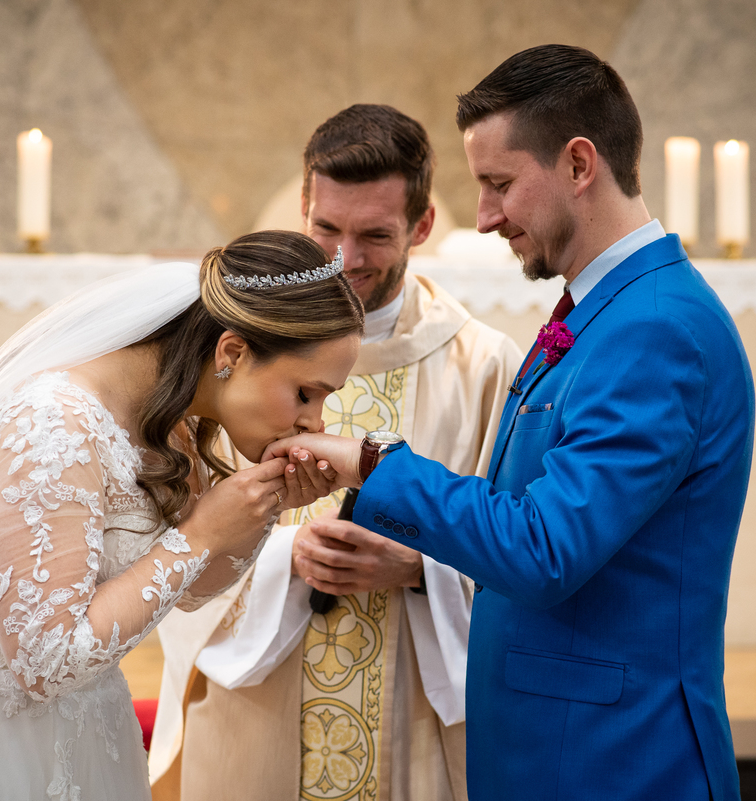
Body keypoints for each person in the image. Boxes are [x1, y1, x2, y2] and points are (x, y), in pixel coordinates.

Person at [266, 45, 755, 800]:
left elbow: (544, 548)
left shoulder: (655, 328)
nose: (486, 216)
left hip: (612, 759)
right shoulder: (607, 310)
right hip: (559, 746)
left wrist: (369, 459)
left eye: (499, 184)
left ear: (579, 164)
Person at [0, 231, 364, 801]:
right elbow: (43, 662)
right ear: (232, 353)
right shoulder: (53, 427)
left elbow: (190, 590)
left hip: (91, 729)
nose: (315, 423)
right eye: (305, 393)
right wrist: (200, 534)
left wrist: (262, 506)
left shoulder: (170, 413)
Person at [149, 104, 521, 801]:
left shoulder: (484, 367)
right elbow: (167, 536)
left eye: (375, 235)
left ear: (422, 226)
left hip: (414, 715)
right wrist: (283, 555)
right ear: (303, 208)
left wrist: (420, 567)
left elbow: (522, 545)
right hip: (254, 713)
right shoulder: (233, 352)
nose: (345, 258)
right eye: (326, 228)